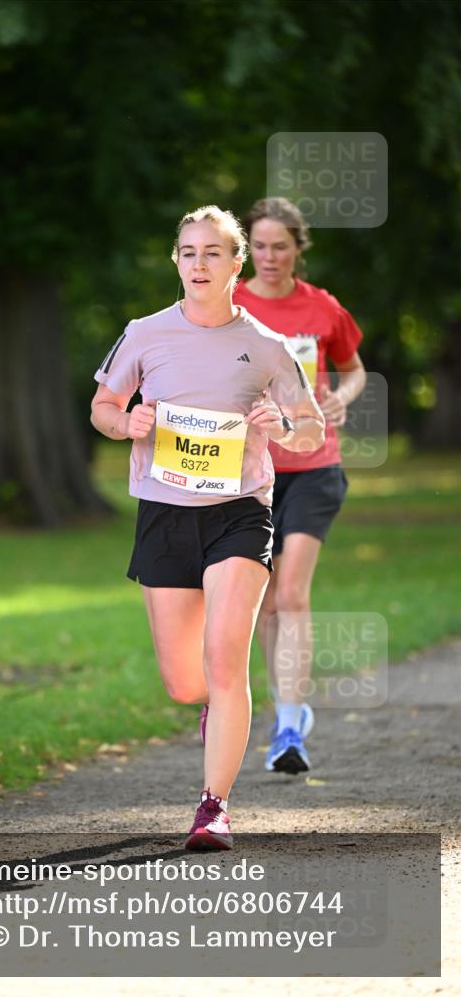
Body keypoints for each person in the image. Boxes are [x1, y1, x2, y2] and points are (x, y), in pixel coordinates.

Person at [90, 205, 324, 850]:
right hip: (164, 514)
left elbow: (311, 425)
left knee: (226, 663)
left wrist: (286, 427)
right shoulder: (144, 333)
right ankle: (212, 711)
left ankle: (213, 807)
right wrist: (126, 423)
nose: (200, 263)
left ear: (235, 264)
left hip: (240, 514)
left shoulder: (268, 347)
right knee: (187, 681)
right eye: (189, 252)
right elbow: (104, 407)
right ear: (176, 261)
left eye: (213, 253)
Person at [234, 197, 366, 775]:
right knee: (263, 605)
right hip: (247, 471)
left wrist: (342, 394)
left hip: (314, 467)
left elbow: (354, 366)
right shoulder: (228, 304)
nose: (268, 257)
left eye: (279, 246)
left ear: (296, 250)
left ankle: (289, 727)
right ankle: (285, 709)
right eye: (258, 246)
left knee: (291, 594)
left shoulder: (321, 308)